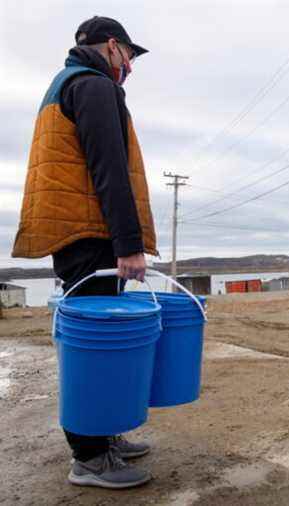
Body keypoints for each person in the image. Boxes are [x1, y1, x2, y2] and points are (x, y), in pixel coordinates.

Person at [11, 16, 156, 488]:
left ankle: (103, 434)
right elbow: (109, 168)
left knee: (97, 343)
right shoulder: (94, 86)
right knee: (95, 347)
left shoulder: (64, 85)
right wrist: (128, 246)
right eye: (130, 56)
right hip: (91, 234)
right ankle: (90, 457)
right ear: (112, 47)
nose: (131, 66)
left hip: (77, 232)